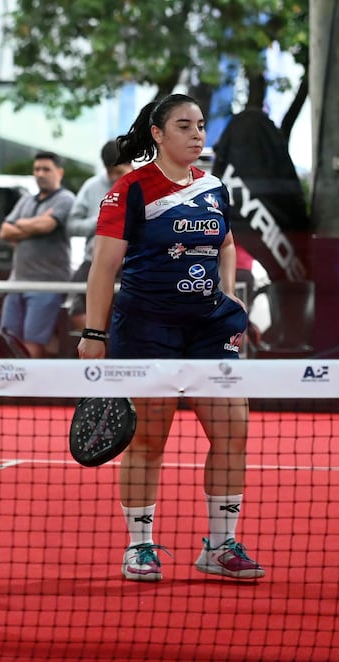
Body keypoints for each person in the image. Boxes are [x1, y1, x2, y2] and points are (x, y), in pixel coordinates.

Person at [78, 93, 264, 582]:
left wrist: (229, 293)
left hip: (210, 327)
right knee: (149, 440)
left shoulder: (215, 187)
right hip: (146, 328)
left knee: (233, 431)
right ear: (158, 134)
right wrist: (94, 333)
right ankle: (140, 546)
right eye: (185, 126)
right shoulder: (130, 190)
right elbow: (104, 268)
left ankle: (220, 545)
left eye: (201, 125)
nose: (198, 134)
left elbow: (225, 242)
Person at [0, 150, 75, 358]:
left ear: (59, 172)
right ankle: (11, 389)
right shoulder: (26, 201)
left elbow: (47, 226)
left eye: (46, 169)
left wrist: (21, 225)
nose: (40, 173)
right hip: (18, 281)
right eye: (37, 169)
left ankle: (30, 390)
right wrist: (32, 224)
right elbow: (5, 230)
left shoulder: (66, 199)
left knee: (33, 342)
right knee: (8, 338)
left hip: (47, 284)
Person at [67, 141, 133, 331]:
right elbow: (72, 226)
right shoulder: (92, 186)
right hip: (94, 258)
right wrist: (100, 221)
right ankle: (95, 345)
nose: (113, 177)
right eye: (109, 172)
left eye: (118, 172)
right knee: (74, 304)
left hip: (131, 261)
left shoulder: (145, 186)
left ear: (131, 165)